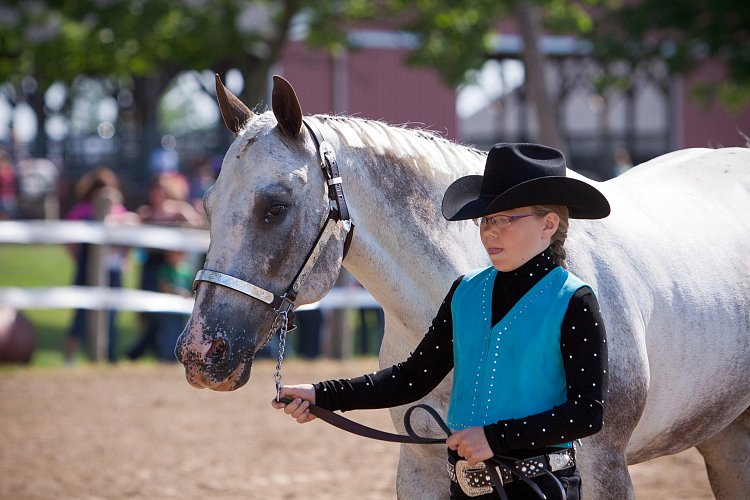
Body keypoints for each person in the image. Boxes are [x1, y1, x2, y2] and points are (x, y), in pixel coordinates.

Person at [272, 143, 611, 499]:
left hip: (543, 488)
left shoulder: (575, 301)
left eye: (504, 219)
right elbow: (412, 378)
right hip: (464, 489)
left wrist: (496, 438)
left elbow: (587, 414)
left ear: (549, 225)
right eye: (486, 220)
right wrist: (323, 395)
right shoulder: (464, 292)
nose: (489, 231)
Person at [126, 172, 205, 360]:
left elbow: (197, 225)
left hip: (171, 268)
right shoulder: (146, 213)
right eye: (154, 190)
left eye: (160, 190)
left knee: (171, 312)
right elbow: (131, 225)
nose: (157, 194)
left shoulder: (178, 211)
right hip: (150, 268)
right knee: (151, 314)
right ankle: (149, 351)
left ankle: (148, 352)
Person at [64, 167, 134, 363]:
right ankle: (69, 357)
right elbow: (68, 238)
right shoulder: (83, 211)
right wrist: (78, 256)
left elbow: (127, 239)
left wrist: (125, 256)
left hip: (112, 271)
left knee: (111, 316)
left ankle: (109, 356)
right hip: (87, 271)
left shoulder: (120, 211)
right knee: (80, 316)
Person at [154, 250, 194, 362]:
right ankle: (165, 358)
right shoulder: (164, 269)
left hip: (183, 310)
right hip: (168, 309)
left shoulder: (186, 270)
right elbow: (163, 286)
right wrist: (178, 293)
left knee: (179, 332)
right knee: (167, 334)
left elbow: (191, 288)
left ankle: (176, 359)